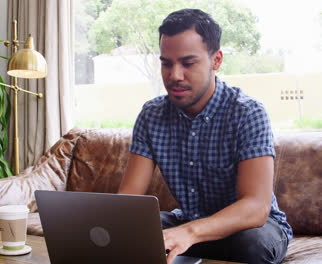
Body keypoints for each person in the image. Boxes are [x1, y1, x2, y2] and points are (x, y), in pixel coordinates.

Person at [118, 8, 292, 264]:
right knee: (128, 227)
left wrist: (188, 233)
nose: (174, 75)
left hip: (250, 230)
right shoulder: (151, 115)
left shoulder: (247, 112)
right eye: (166, 63)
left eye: (188, 63)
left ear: (216, 60)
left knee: (253, 244)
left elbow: (256, 208)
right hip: (189, 221)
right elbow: (128, 203)